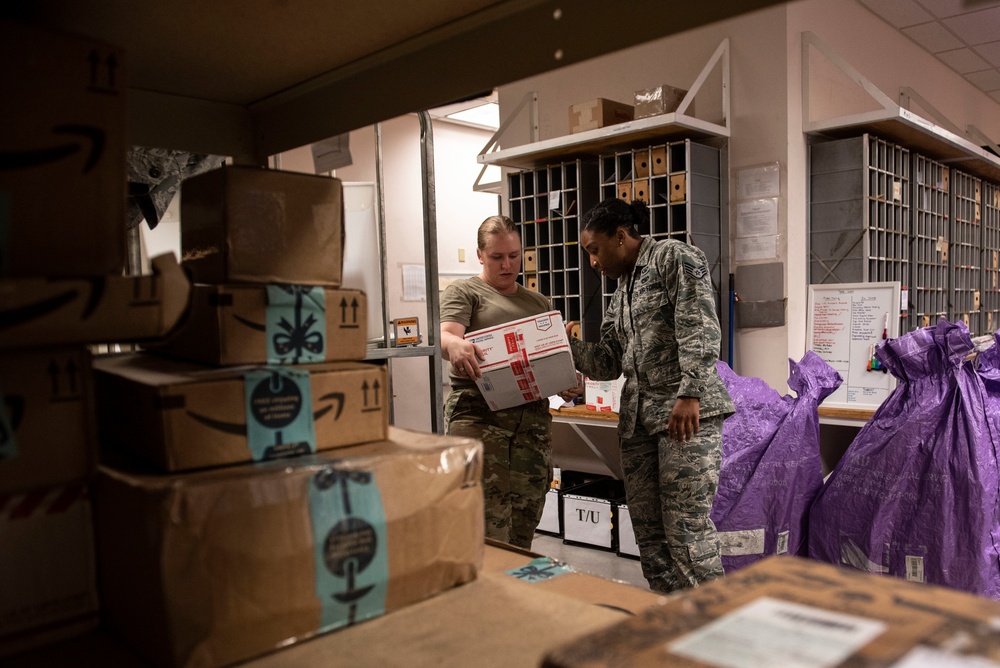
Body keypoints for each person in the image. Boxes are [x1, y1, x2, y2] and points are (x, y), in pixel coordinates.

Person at [565, 198, 734, 593]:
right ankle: (671, 621)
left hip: (685, 415)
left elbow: (700, 325)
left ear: (620, 238)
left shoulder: (673, 258)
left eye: (594, 249)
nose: (593, 261)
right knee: (649, 534)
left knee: (687, 533)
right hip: (639, 422)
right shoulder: (621, 291)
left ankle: (716, 629)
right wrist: (562, 345)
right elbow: (608, 361)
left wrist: (690, 392)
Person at [440, 215, 581, 549]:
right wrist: (455, 346)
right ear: (479, 255)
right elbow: (447, 335)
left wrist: (566, 382)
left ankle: (515, 592)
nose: (507, 264)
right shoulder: (466, 292)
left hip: (530, 427)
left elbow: (550, 361)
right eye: (497, 257)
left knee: (523, 526)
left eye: (514, 255)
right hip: (481, 421)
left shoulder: (538, 303)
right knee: (485, 528)